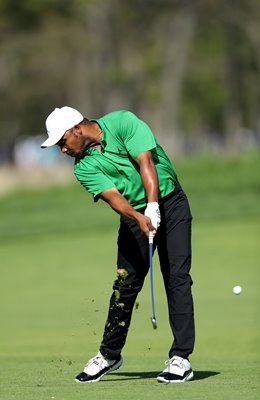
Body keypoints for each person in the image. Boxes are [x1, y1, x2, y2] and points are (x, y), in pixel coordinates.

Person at [41, 106, 195, 383]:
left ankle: (180, 358)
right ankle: (109, 355)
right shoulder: (83, 167)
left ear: (77, 128)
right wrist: (139, 216)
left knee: (177, 277)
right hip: (134, 216)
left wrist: (153, 205)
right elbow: (113, 197)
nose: (62, 151)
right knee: (125, 285)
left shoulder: (122, 122)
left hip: (171, 204)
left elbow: (145, 162)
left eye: (62, 142)